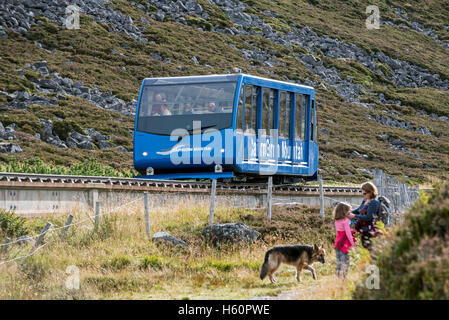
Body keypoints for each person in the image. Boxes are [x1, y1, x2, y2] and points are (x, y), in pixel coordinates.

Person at [347, 182, 381, 250]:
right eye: (362, 193)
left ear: (371, 192)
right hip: (364, 229)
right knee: (365, 246)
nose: (364, 195)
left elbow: (368, 217)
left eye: (365, 193)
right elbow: (359, 210)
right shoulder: (365, 200)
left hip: (370, 230)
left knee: (370, 249)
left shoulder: (374, 202)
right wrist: (348, 213)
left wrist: (354, 216)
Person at [333, 202, 356, 279]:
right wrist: (353, 244)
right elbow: (348, 234)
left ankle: (337, 277)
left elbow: (337, 234)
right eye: (349, 212)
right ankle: (343, 278)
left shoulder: (336, 221)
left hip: (338, 243)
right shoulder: (346, 221)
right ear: (344, 212)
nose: (350, 213)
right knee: (345, 262)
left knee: (338, 261)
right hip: (345, 244)